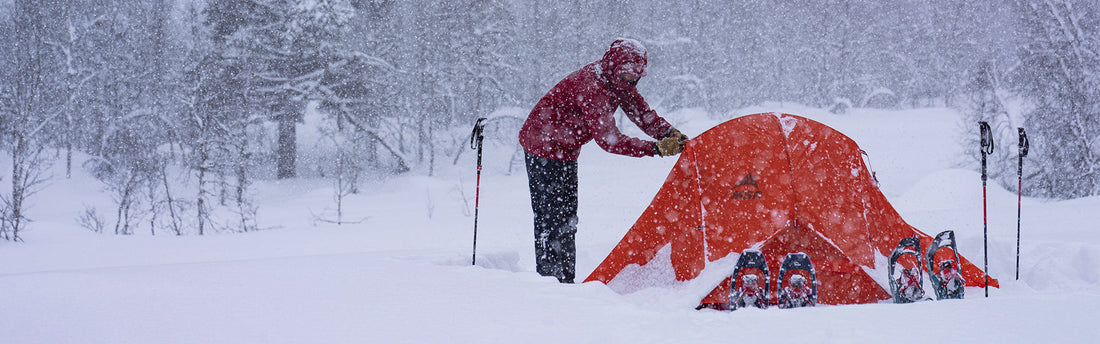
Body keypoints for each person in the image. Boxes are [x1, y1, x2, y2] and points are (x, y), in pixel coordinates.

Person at [518, 39, 688, 283]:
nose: (630, 82)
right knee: (550, 220)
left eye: (636, 77)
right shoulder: (593, 86)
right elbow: (610, 140)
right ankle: (549, 285)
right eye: (626, 75)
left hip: (564, 149)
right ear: (613, 66)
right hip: (542, 147)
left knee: (568, 219)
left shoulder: (618, 84)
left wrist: (668, 132)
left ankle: (564, 282)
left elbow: (642, 113)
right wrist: (656, 149)